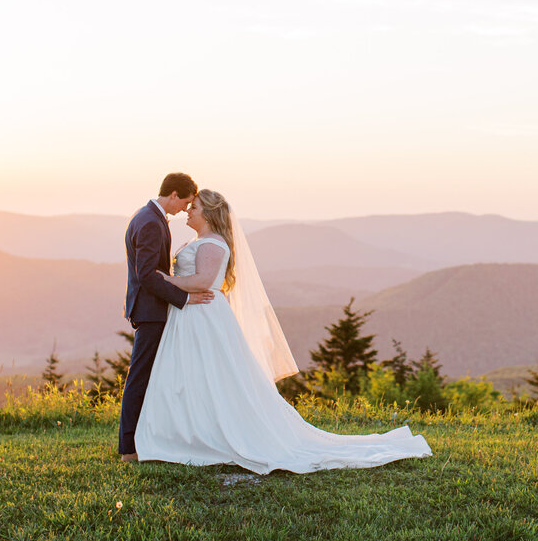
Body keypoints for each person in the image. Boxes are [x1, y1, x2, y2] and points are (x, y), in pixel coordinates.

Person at [134, 188, 432, 473]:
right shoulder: (199, 241)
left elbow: (202, 282)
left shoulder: (212, 243)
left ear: (209, 214)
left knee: (212, 377)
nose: (188, 211)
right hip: (188, 316)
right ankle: (188, 433)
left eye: (195, 208)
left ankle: (208, 437)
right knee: (191, 378)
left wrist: (165, 281)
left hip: (202, 317)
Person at [118, 173, 216, 462]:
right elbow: (147, 276)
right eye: (185, 202)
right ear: (174, 194)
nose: (186, 209)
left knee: (151, 377)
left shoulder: (147, 216)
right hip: (151, 311)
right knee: (140, 378)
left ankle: (148, 440)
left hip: (151, 309)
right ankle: (129, 449)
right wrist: (185, 298)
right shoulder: (150, 222)